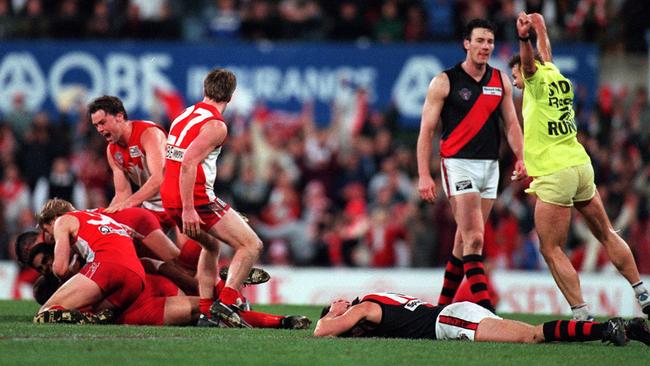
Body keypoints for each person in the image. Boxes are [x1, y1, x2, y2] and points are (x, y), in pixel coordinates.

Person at [509, 12, 650, 320]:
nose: (515, 81)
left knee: (551, 247)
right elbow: (545, 56)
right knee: (607, 233)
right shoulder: (556, 75)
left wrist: (523, 38)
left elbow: (531, 63)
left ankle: (581, 311)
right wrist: (542, 28)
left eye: (515, 76)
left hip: (555, 173)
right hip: (580, 165)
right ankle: (641, 289)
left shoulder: (533, 78)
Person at [416, 18, 527, 312]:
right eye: (479, 41)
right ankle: (487, 312)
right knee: (475, 239)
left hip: (490, 168)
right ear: (467, 43)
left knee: (463, 242)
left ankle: (439, 310)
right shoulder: (445, 81)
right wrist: (424, 175)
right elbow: (426, 130)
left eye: (489, 42)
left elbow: (512, 125)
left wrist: (522, 156)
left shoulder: (500, 80)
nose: (485, 47)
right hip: (457, 165)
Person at [160, 68, 263, 327]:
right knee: (251, 245)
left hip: (171, 196)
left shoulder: (184, 115)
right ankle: (226, 305)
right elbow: (188, 162)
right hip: (194, 200)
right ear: (231, 95)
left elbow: (173, 159)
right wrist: (188, 209)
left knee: (212, 246)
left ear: (205, 89)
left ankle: (206, 312)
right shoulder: (217, 125)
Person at [87, 95, 204, 274]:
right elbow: (122, 194)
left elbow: (159, 178)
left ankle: (221, 285)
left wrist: (130, 203)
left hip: (178, 200)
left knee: (189, 258)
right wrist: (106, 221)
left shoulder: (149, 133)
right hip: (152, 206)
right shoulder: (112, 151)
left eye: (103, 122)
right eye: (96, 126)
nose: (100, 129)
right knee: (136, 253)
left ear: (119, 116)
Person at [314, 292, 650, 347]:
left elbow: (322, 332)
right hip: (455, 314)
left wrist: (330, 317)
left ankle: (607, 327)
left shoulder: (362, 307)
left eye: (334, 304)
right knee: (529, 335)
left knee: (530, 337)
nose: (336, 303)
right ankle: (620, 328)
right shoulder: (375, 300)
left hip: (450, 322)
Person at [34, 198, 145, 318]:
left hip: (108, 265)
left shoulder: (62, 220)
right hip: (136, 277)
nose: (49, 236)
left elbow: (60, 269)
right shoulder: (94, 216)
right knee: (88, 312)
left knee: (46, 312)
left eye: (46, 230)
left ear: (55, 217)